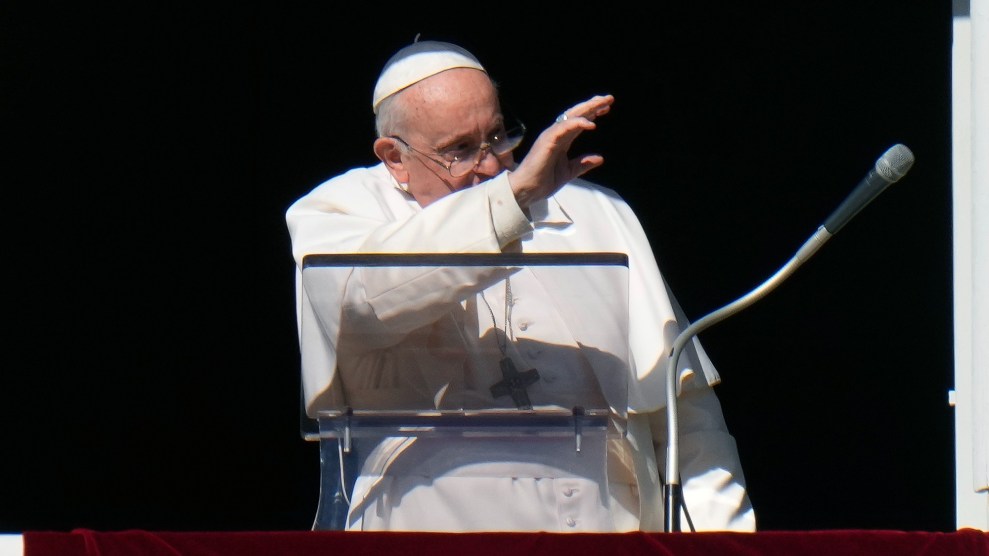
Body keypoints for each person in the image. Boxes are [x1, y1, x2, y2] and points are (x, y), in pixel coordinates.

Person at [286, 38, 755, 533]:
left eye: (497, 137)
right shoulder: (339, 211)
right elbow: (360, 304)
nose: (491, 165)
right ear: (394, 157)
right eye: (461, 150)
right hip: (426, 531)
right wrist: (511, 202)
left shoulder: (597, 212)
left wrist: (720, 541)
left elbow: (687, 414)